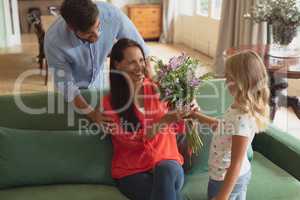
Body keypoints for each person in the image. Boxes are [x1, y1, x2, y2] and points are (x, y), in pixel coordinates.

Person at [101, 38, 186, 200]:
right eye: (132, 62)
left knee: (164, 169)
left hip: (168, 163)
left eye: (141, 60)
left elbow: (179, 126)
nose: (139, 67)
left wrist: (187, 107)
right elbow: (125, 140)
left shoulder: (159, 89)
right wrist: (161, 122)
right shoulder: (110, 103)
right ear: (117, 65)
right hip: (132, 171)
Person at [44, 0, 150, 125]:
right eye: (89, 33)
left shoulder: (111, 15)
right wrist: (93, 114)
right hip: (75, 91)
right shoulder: (54, 42)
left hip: (100, 82)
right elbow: (67, 87)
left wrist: (150, 84)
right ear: (72, 28)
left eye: (98, 26)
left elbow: (141, 49)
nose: (97, 36)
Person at [190, 50, 270, 200]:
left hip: (225, 179)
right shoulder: (239, 107)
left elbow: (236, 163)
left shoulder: (242, 118)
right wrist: (195, 115)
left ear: (242, 82)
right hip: (237, 177)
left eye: (229, 77)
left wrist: (222, 196)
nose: (225, 81)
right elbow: (222, 127)